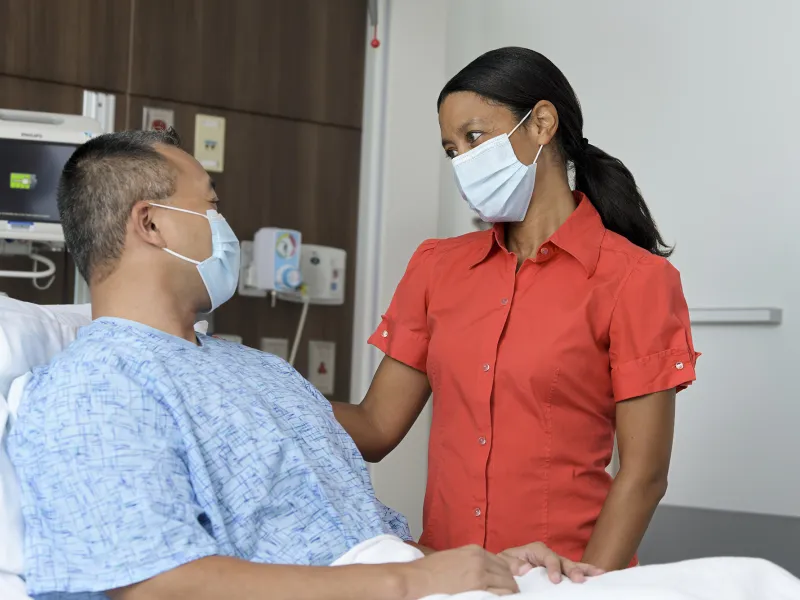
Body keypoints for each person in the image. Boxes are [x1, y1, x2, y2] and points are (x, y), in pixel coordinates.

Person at [7, 129, 600, 600]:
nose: (225, 228)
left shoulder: (261, 372)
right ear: (152, 223)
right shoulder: (92, 387)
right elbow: (155, 583)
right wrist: (407, 583)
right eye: (211, 207)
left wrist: (492, 570)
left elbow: (357, 536)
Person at [333, 47, 699, 572]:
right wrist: (256, 389)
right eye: (451, 149)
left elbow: (643, 476)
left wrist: (581, 588)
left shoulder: (636, 281)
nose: (462, 160)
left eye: (474, 137)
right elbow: (374, 428)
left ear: (542, 124)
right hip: (447, 574)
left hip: (564, 578)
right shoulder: (437, 267)